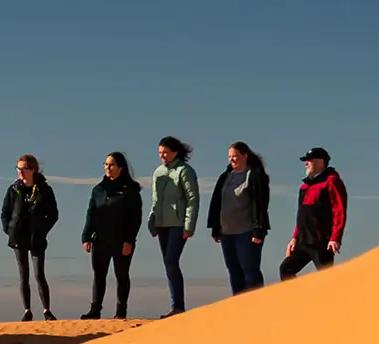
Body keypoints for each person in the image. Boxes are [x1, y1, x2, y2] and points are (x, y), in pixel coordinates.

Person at [78, 151, 143, 320]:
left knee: (121, 275)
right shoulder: (98, 190)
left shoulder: (130, 190)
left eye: (112, 164)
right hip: (100, 239)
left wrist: (129, 240)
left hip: (121, 240)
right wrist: (86, 237)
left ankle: (121, 311)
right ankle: (95, 309)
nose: (108, 167)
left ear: (120, 167)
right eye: (106, 164)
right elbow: (91, 213)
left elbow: (135, 218)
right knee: (99, 275)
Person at [0, 154, 59, 321]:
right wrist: (9, 229)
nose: (21, 172)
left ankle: (47, 310)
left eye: (24, 168)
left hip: (37, 237)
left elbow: (53, 214)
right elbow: (5, 213)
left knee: (39, 273)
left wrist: (43, 230)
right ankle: (27, 310)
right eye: (18, 168)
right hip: (18, 237)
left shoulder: (44, 190)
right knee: (23, 274)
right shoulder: (13, 189)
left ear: (33, 169)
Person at [145, 136, 201, 317]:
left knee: (171, 261)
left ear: (175, 152)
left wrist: (189, 226)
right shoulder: (158, 173)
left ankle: (178, 306)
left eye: (165, 152)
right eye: (160, 153)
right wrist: (152, 222)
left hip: (178, 224)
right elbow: (155, 201)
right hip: (162, 225)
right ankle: (175, 305)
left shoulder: (185, 171)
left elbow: (193, 199)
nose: (162, 156)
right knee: (168, 264)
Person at [206, 141, 271, 295]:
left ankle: (256, 305)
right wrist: (216, 228)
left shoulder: (255, 175)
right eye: (229, 157)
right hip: (226, 232)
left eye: (235, 156)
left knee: (249, 269)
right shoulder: (225, 176)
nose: (232, 159)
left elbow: (261, 205)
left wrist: (258, 230)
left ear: (245, 155)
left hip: (247, 231)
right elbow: (217, 203)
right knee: (234, 270)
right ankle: (239, 307)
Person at [280, 147, 348, 281]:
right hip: (303, 241)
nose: (306, 163)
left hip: (321, 241)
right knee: (286, 269)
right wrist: (294, 238)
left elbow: (339, 210)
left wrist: (335, 238)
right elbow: (301, 216)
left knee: (327, 278)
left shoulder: (332, 181)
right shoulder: (304, 186)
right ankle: (299, 300)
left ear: (320, 161)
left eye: (309, 160)